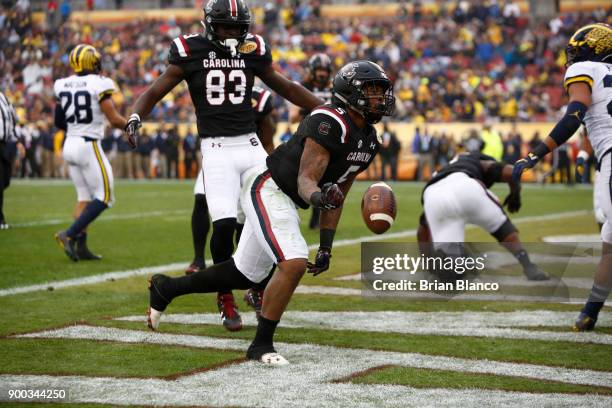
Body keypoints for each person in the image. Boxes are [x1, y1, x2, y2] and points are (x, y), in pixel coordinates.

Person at [146, 60, 395, 364]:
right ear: (350, 92)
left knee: (242, 273)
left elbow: (339, 194)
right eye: (371, 91)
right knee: (293, 262)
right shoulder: (329, 122)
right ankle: (261, 344)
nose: (379, 99)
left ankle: (165, 287)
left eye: (381, 92)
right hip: (269, 187)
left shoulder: (369, 140)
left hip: (286, 197)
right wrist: (318, 197)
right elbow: (306, 180)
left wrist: (327, 246)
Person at [126, 0, 323, 332]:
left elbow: (286, 87)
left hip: (250, 146)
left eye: (237, 27)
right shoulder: (190, 50)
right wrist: (135, 115)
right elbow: (155, 89)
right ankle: (225, 295)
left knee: (272, 217)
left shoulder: (252, 49)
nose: (232, 33)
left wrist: (326, 108)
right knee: (223, 225)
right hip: (216, 149)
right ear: (209, 24)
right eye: (226, 26)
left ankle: (258, 287)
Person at [512, 23, 612, 331]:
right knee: (610, 242)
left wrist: (536, 153)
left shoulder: (585, 69)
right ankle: (589, 313)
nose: (571, 58)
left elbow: (574, 114)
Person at [185, 86, 278, 322]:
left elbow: (267, 140)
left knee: (264, 225)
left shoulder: (259, 99)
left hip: (250, 160)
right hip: (218, 156)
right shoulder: (211, 87)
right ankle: (222, 292)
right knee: (216, 216)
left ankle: (257, 289)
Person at [417, 151, 549, 281]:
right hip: (466, 187)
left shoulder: (443, 171)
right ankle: (528, 266)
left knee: (450, 274)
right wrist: (515, 194)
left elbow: (422, 231)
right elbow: (512, 171)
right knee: (503, 229)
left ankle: (449, 266)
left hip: (433, 196)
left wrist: (428, 266)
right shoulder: (480, 162)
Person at [53, 44, 127, 261]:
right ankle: (69, 233)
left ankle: (81, 248)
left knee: (84, 197)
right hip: (88, 144)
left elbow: (59, 121)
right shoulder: (99, 83)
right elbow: (113, 119)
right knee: (105, 197)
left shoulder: (62, 84)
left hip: (70, 143)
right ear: (93, 62)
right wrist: (130, 126)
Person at [290, 53, 333, 230]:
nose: (322, 74)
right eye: (319, 70)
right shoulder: (303, 87)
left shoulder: (334, 89)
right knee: (292, 179)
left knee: (324, 181)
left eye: (325, 70)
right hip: (305, 138)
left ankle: (316, 219)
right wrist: (312, 107)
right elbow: (292, 117)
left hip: (327, 141)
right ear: (312, 70)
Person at [0, 92, 19, 230]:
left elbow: (12, 120)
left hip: (4, 144)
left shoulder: (4, 97)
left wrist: (18, 142)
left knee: (5, 180)